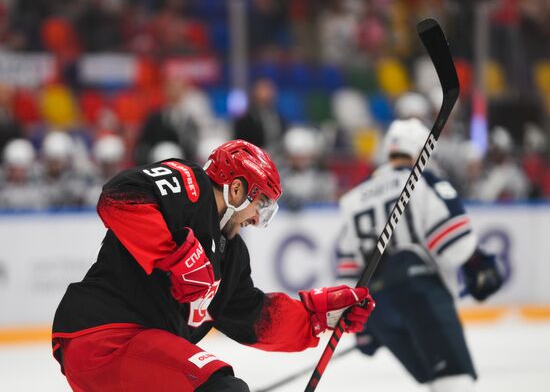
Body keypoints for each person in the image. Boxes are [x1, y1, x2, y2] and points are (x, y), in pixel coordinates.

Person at [52, 139, 375, 392]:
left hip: (139, 354)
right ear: (236, 189)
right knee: (220, 387)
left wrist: (317, 317)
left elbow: (253, 317)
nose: (255, 220)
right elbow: (118, 196)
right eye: (260, 205)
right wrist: (175, 255)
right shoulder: (188, 185)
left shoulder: (230, 255)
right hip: (105, 338)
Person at [336, 119, 503, 392]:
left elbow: (347, 270)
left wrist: (364, 327)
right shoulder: (423, 181)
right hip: (420, 294)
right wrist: (478, 264)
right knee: (452, 381)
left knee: (437, 382)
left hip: (378, 309)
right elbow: (455, 242)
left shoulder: (353, 198)